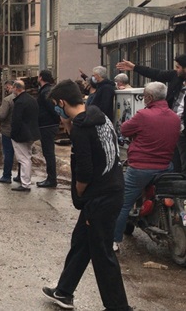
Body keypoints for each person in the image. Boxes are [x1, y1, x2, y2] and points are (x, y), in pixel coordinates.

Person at [42, 79, 131, 311]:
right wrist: (68, 124)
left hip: (100, 197)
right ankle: (64, 291)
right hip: (112, 189)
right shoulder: (97, 115)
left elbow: (85, 171)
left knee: (102, 253)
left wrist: (80, 194)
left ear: (62, 102)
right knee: (81, 242)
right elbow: (90, 146)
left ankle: (118, 307)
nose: (57, 110)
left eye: (56, 105)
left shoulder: (82, 127)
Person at [113, 82, 180, 252]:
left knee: (123, 203)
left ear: (149, 97)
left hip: (141, 168)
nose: (143, 98)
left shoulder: (143, 115)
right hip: (166, 167)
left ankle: (113, 240)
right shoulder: (175, 117)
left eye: (144, 96)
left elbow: (125, 129)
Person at [117, 55, 186, 173]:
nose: (176, 69)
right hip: (171, 127)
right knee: (174, 160)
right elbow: (157, 73)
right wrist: (135, 67)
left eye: (178, 67)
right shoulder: (176, 77)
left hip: (183, 129)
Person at [10, 80, 40, 192]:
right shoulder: (32, 99)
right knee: (27, 157)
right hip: (31, 133)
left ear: (17, 88)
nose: (12, 90)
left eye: (13, 88)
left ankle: (25, 183)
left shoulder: (20, 102)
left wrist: (13, 134)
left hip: (21, 135)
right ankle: (25, 181)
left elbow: (16, 120)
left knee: (23, 159)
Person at [37, 70, 60, 188]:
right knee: (48, 152)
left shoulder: (46, 91)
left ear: (41, 78)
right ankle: (50, 177)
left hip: (47, 125)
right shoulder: (49, 89)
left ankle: (51, 179)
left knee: (49, 153)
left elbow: (52, 108)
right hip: (49, 124)